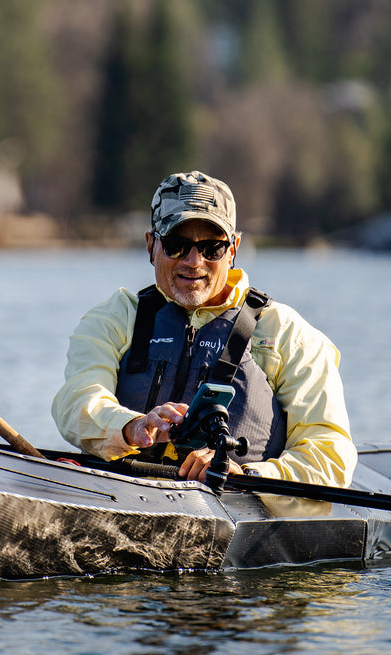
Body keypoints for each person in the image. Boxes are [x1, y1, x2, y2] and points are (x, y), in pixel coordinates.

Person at [52, 170, 357, 485]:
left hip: (238, 508)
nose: (194, 261)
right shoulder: (113, 318)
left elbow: (330, 456)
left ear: (234, 249)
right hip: (125, 492)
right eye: (176, 245)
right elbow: (77, 400)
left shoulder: (288, 334)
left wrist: (246, 474)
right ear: (150, 245)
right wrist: (132, 426)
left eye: (212, 248)